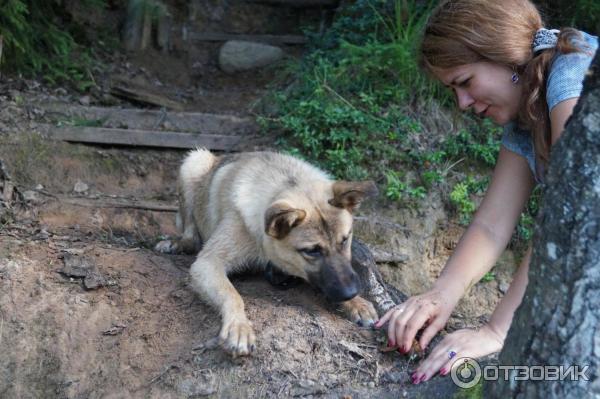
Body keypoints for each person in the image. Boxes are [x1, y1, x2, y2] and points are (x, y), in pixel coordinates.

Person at [374, 0, 598, 384]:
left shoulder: (571, 78)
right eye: (452, 91)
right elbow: (492, 225)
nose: (461, 103)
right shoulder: (528, 110)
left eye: (464, 82)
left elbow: (570, 220)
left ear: (503, 55)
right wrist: (440, 295)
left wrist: (497, 331)